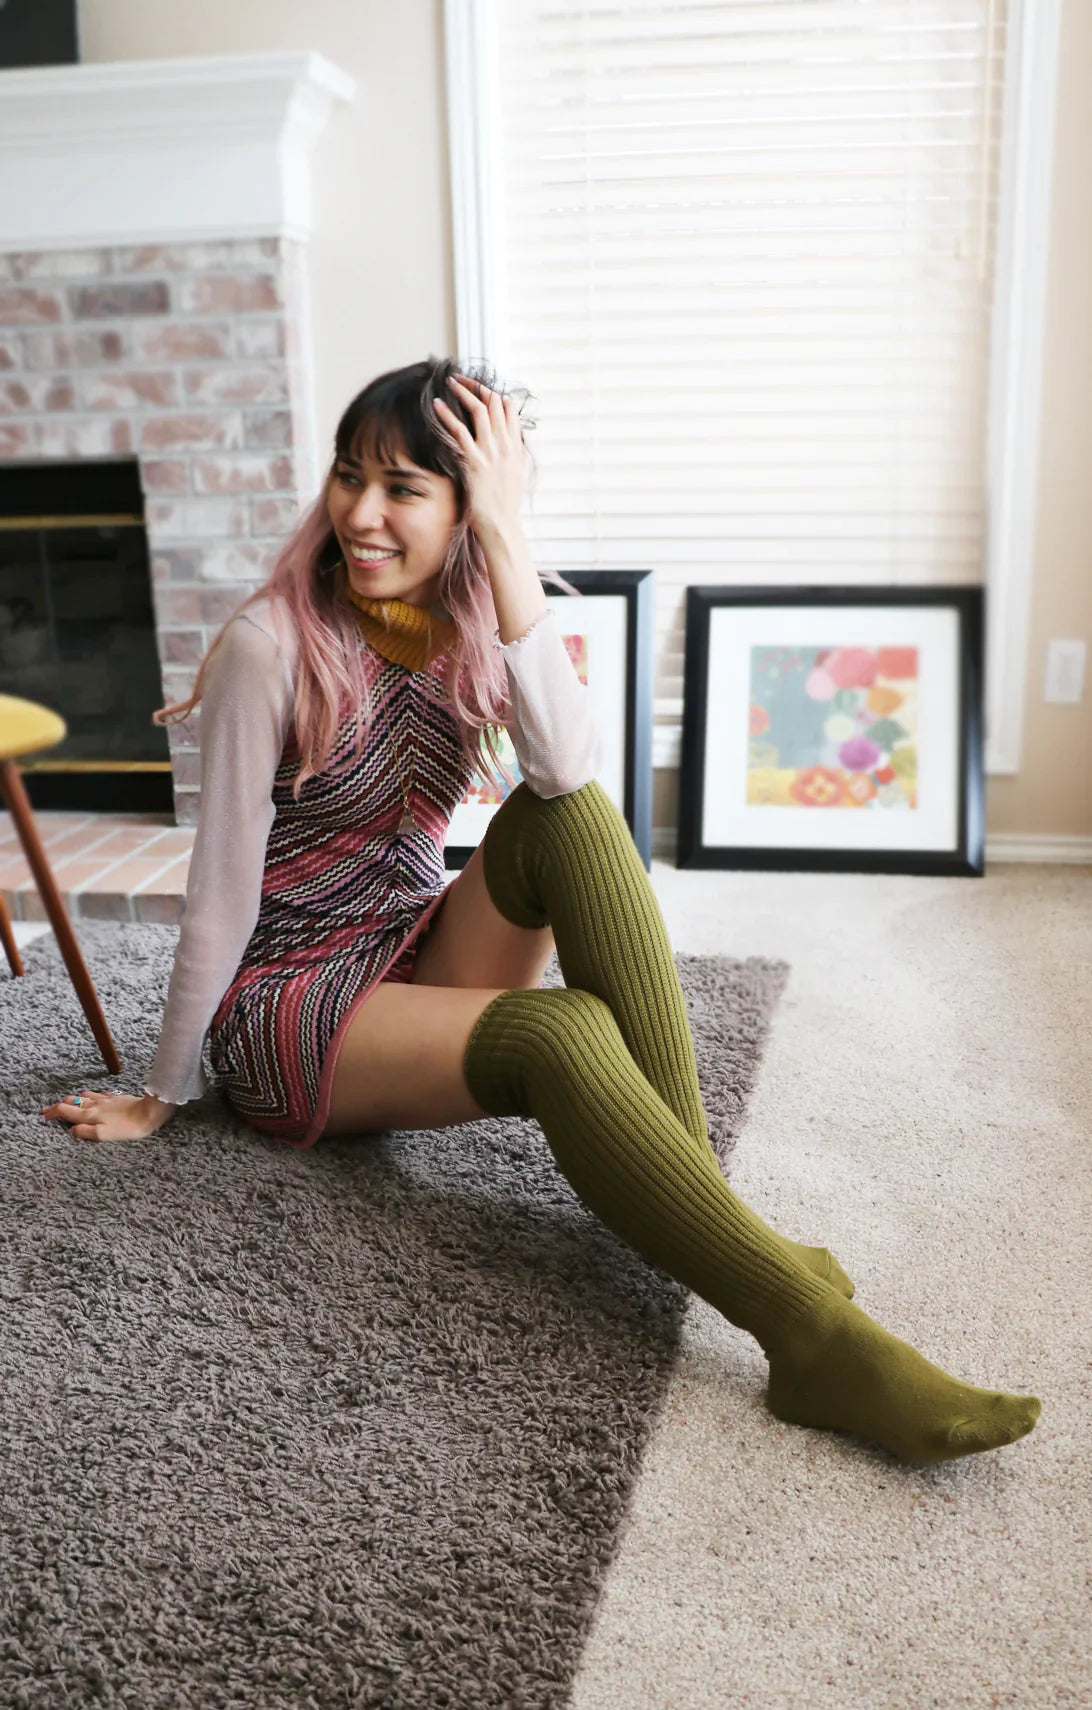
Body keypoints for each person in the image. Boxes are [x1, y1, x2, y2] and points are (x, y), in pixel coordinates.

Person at [41, 356, 1041, 1466]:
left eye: (405, 489)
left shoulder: (470, 607)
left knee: (572, 817)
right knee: (563, 1033)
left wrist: (508, 547)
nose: (360, 515)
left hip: (409, 945)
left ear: (474, 509)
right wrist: (162, 1090)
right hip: (288, 1007)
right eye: (347, 476)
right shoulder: (270, 646)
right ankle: (808, 1339)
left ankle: (709, 1218)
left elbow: (567, 770)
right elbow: (220, 890)